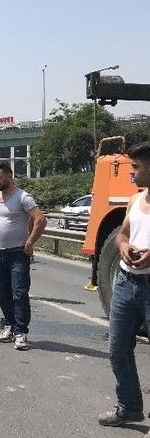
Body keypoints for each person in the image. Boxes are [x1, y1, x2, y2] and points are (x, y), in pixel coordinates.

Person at [98, 141, 150, 428]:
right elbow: (123, 234)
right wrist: (124, 246)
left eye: (137, 167)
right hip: (125, 283)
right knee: (117, 348)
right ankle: (129, 407)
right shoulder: (134, 199)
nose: (132, 172)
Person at [0, 162, 46, 351]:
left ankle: (21, 331)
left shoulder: (23, 197)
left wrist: (30, 242)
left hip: (17, 254)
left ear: (9, 176)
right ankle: (9, 326)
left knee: (19, 293)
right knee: (3, 293)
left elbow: (40, 219)